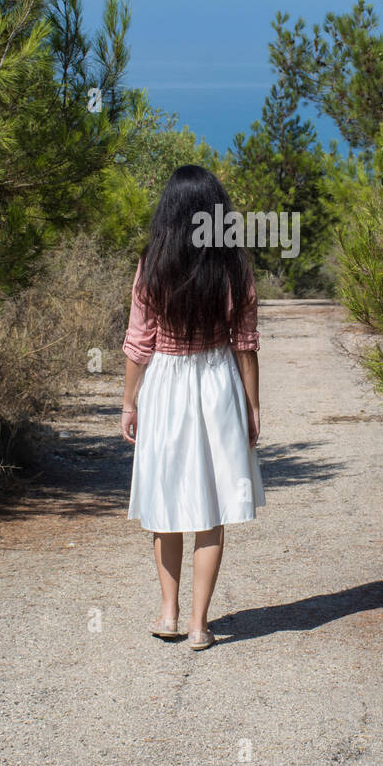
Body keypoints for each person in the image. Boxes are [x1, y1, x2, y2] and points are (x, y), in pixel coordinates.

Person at [121, 165, 264, 650]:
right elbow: (245, 343)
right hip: (217, 381)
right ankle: (201, 625)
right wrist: (252, 405)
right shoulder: (234, 264)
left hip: (166, 383)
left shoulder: (153, 262)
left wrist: (127, 402)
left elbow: (139, 343)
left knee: (165, 503)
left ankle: (169, 613)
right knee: (212, 505)